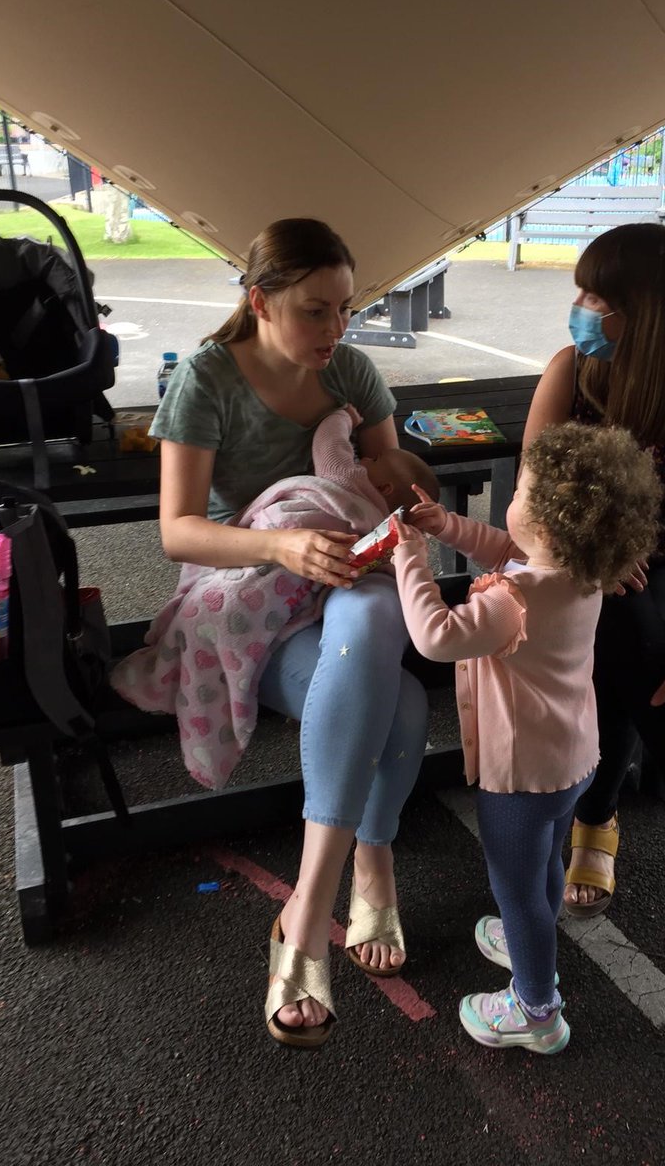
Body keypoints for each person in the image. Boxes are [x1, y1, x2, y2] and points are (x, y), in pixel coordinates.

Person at [139, 217, 432, 1050]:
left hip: (346, 583)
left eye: (345, 310)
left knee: (376, 612)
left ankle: (306, 911)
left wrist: (403, 488)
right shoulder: (206, 379)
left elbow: (393, 488)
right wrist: (282, 543)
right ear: (259, 301)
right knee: (403, 706)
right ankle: (367, 866)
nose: (334, 331)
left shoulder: (351, 372)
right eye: (315, 311)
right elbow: (179, 531)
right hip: (248, 591)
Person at [392, 423, 661, 1052]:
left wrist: (411, 559)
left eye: (522, 488)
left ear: (546, 518)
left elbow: (435, 634)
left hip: (521, 776)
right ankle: (527, 933)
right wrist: (445, 526)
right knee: (542, 857)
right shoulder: (578, 569)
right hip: (574, 758)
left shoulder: (509, 603)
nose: (512, 495)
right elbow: (505, 547)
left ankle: (536, 1007)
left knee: (515, 882)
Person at [523, 221, 665, 925]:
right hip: (576, 559)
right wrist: (595, 551)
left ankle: (597, 821)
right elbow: (534, 494)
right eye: (583, 295)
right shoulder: (572, 370)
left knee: (627, 622)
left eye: (597, 297)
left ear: (648, 311)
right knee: (611, 607)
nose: (582, 309)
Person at [112, 403, 439, 790]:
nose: (366, 454)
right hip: (291, 577)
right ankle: (364, 836)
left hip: (271, 579)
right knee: (397, 701)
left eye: (376, 458)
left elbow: (329, 447)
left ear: (382, 488)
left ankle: (347, 831)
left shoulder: (350, 483)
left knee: (389, 697)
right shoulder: (380, 530)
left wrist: (341, 418)